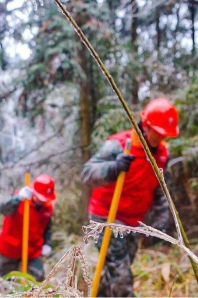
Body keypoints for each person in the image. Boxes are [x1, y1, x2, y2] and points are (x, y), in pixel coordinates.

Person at [81, 98, 179, 297]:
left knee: (112, 272)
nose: (159, 138)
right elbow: (87, 174)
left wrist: (161, 222)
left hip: (133, 220)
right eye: (157, 133)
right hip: (106, 216)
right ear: (146, 125)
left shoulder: (162, 154)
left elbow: (160, 189)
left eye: (164, 135)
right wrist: (113, 167)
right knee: (121, 275)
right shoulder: (119, 145)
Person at [0, 174, 56, 281]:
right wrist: (17, 199)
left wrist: (47, 244)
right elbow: (3, 209)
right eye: (40, 198)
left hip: (33, 249)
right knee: (5, 280)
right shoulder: (19, 199)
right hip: (11, 248)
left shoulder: (47, 208)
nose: (42, 201)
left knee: (37, 278)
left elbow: (47, 228)